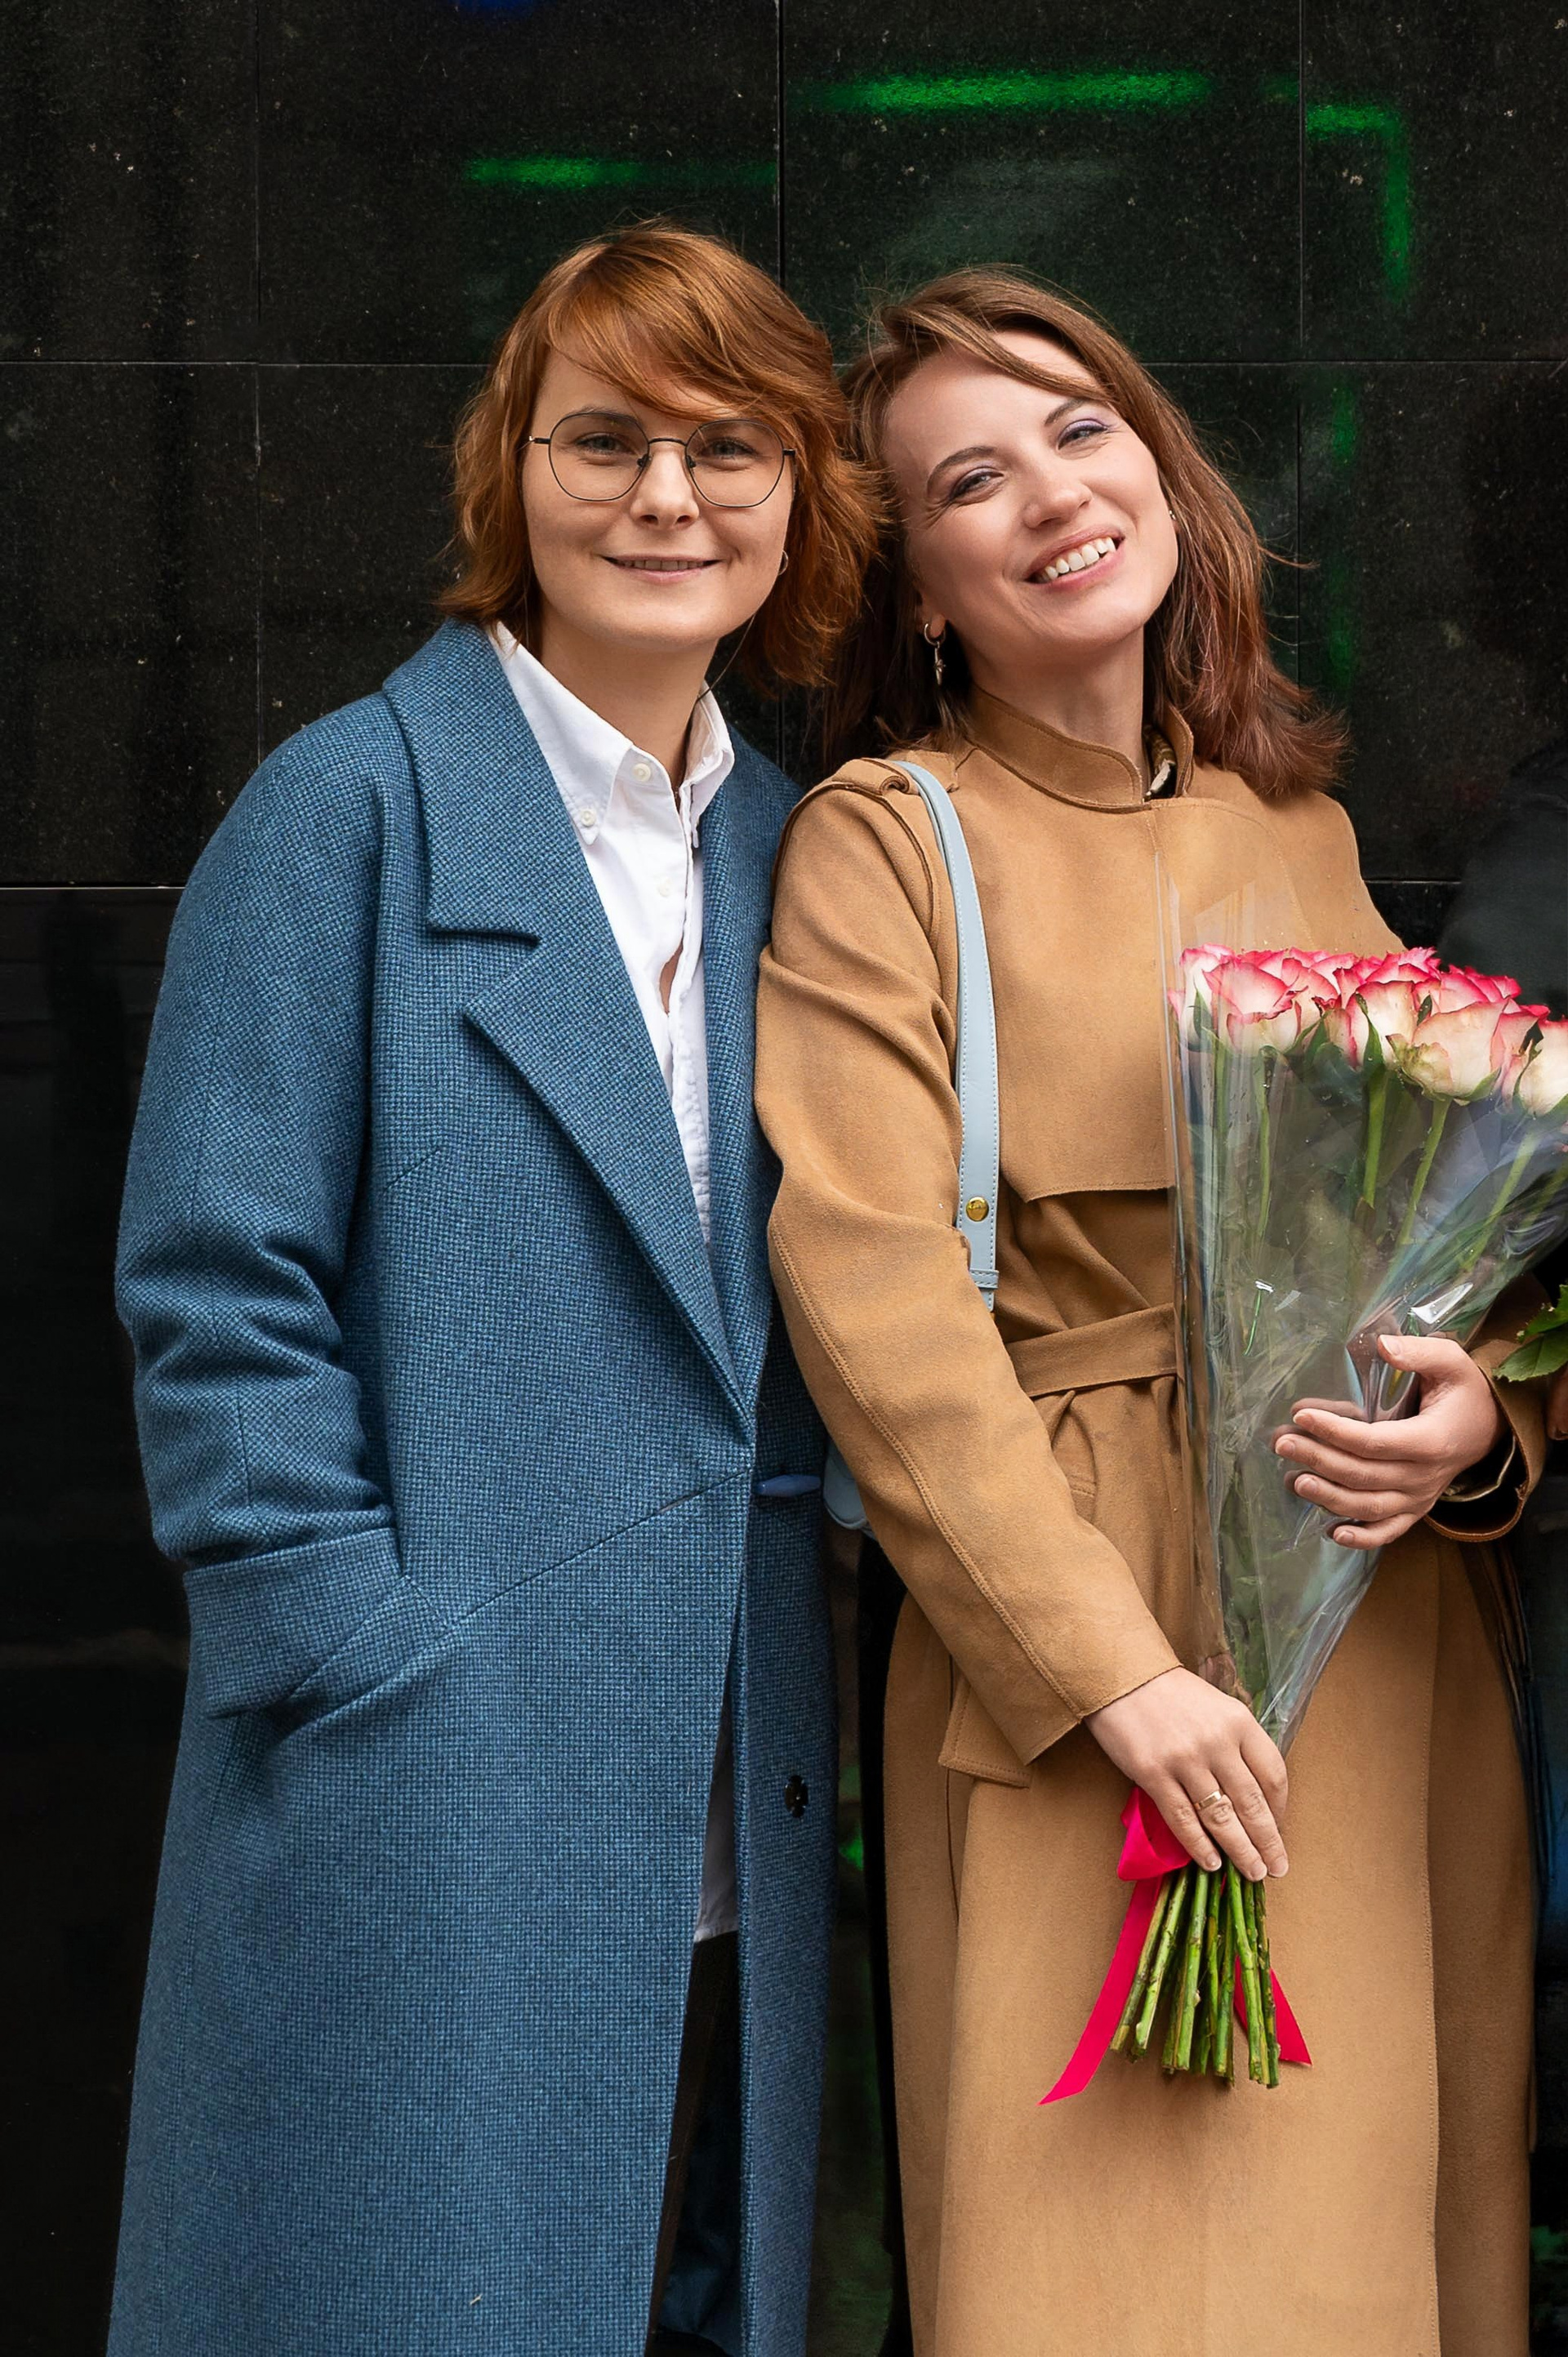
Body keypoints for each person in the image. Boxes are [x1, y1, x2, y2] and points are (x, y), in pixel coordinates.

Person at [754, 270, 1548, 2354]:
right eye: (969, 484)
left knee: (1376, 2249)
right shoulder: (885, 844)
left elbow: (1447, 1241)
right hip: (1081, 1635)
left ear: (1164, 470)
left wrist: (1483, 1420)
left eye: (1080, 429)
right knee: (1094, 2264)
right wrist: (1113, 1673)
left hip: (1366, 1609)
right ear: (918, 591)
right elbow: (875, 1304)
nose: (1051, 498)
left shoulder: (1304, 826)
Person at [109, 223, 878, 2357]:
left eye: (728, 449)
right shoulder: (348, 811)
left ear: (799, 494)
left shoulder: (794, 852)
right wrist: (359, 1656)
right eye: (604, 440)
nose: (665, 497)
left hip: (725, 1781)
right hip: (429, 1762)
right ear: (507, 472)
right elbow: (217, 1292)